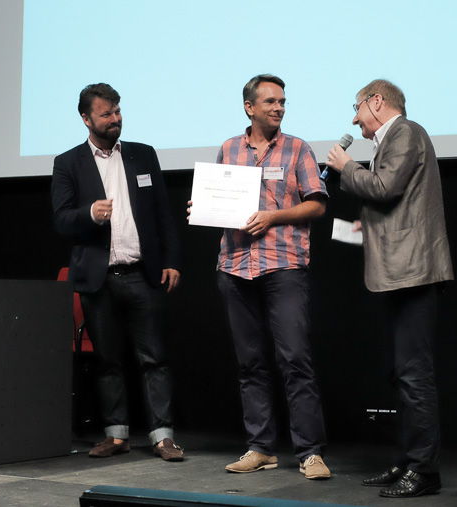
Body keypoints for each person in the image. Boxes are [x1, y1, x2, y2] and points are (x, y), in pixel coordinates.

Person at [189, 74, 330, 480]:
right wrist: (201, 207)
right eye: (270, 101)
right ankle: (261, 448)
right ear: (249, 107)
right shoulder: (229, 148)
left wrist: (273, 216)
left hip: (283, 265)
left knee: (295, 359)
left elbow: (317, 204)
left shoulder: (298, 148)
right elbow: (217, 200)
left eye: (282, 101)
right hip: (235, 266)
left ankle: (310, 452)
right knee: (250, 363)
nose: (279, 107)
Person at [325, 79, 454, 498]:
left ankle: (425, 471)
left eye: (357, 108)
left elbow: (384, 188)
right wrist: (367, 227)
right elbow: (399, 205)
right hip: (401, 271)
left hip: (414, 272)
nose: (354, 120)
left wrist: (346, 165)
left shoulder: (405, 132)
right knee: (402, 374)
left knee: (415, 375)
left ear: (376, 101)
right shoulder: (395, 138)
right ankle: (409, 460)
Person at [52, 83, 184, 462]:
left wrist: (173, 260)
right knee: (107, 361)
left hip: (143, 274)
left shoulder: (143, 155)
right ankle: (116, 435)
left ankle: (163, 437)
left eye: (118, 111)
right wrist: (90, 214)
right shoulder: (68, 163)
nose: (115, 119)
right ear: (86, 118)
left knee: (154, 358)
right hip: (98, 279)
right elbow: (61, 219)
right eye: (106, 113)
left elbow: (163, 213)